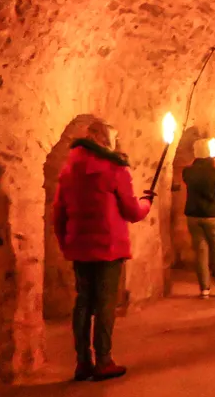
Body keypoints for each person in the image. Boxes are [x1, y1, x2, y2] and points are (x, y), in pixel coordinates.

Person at [52, 120, 153, 382]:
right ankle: (104, 360)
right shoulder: (113, 168)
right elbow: (131, 211)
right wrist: (146, 203)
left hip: (80, 247)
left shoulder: (68, 170)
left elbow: (59, 213)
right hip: (108, 246)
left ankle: (83, 362)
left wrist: (67, 243)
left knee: (83, 302)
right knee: (105, 304)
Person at [182, 139, 215, 299]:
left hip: (193, 215)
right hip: (212, 215)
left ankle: (204, 288)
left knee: (200, 251)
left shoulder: (188, 172)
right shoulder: (214, 173)